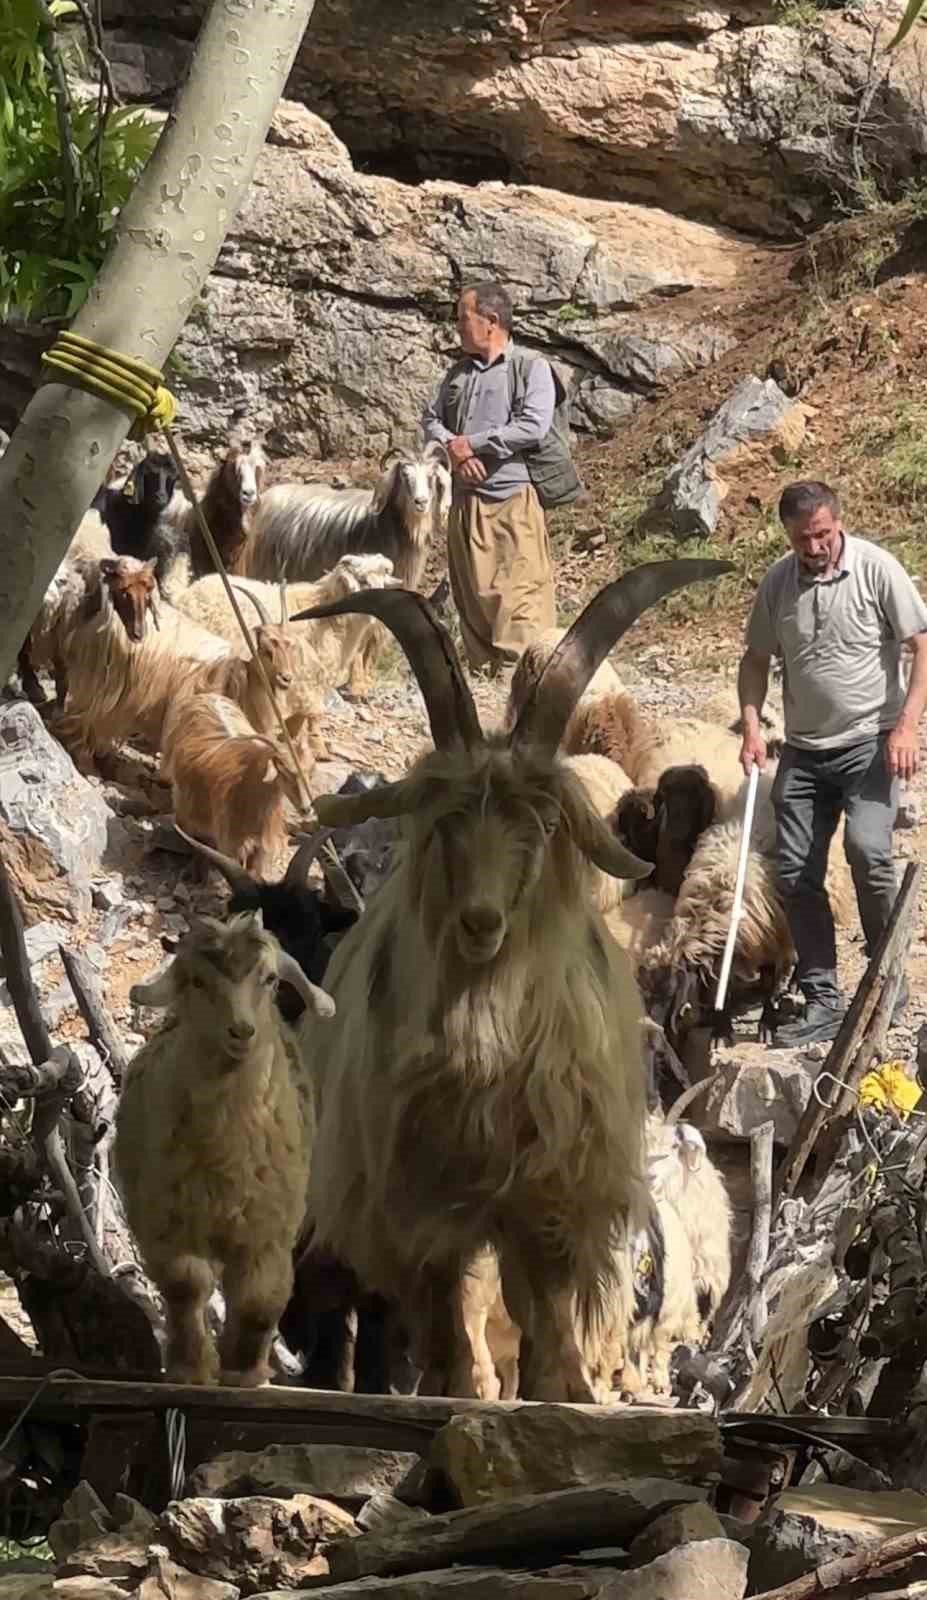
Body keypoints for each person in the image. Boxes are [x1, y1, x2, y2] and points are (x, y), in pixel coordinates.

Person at [738, 480, 927, 1048]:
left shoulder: (876, 569)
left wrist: (907, 726)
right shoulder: (777, 584)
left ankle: (886, 983)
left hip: (871, 741)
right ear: (788, 535)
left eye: (822, 534)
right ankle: (822, 995)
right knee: (795, 871)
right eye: (803, 539)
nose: (815, 546)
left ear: (837, 523)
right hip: (803, 748)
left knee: (869, 851)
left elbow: (922, 643)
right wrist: (751, 725)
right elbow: (753, 661)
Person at [422, 281, 557, 674]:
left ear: (491, 321)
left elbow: (532, 426)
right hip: (465, 508)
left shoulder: (531, 367)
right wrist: (454, 450)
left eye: (464, 318)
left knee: (520, 605)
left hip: (511, 507)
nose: (458, 327)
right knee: (474, 605)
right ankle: (486, 687)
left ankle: (525, 692)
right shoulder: (457, 375)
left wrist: (472, 443)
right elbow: (430, 421)